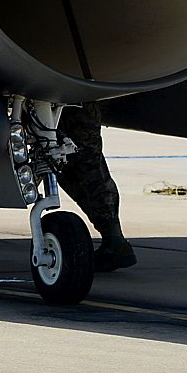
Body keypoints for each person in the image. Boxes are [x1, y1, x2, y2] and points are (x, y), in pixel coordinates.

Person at [57, 103, 137, 271]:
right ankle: (114, 238)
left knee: (76, 165)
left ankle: (114, 240)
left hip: (70, 97)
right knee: (85, 164)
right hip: (81, 92)